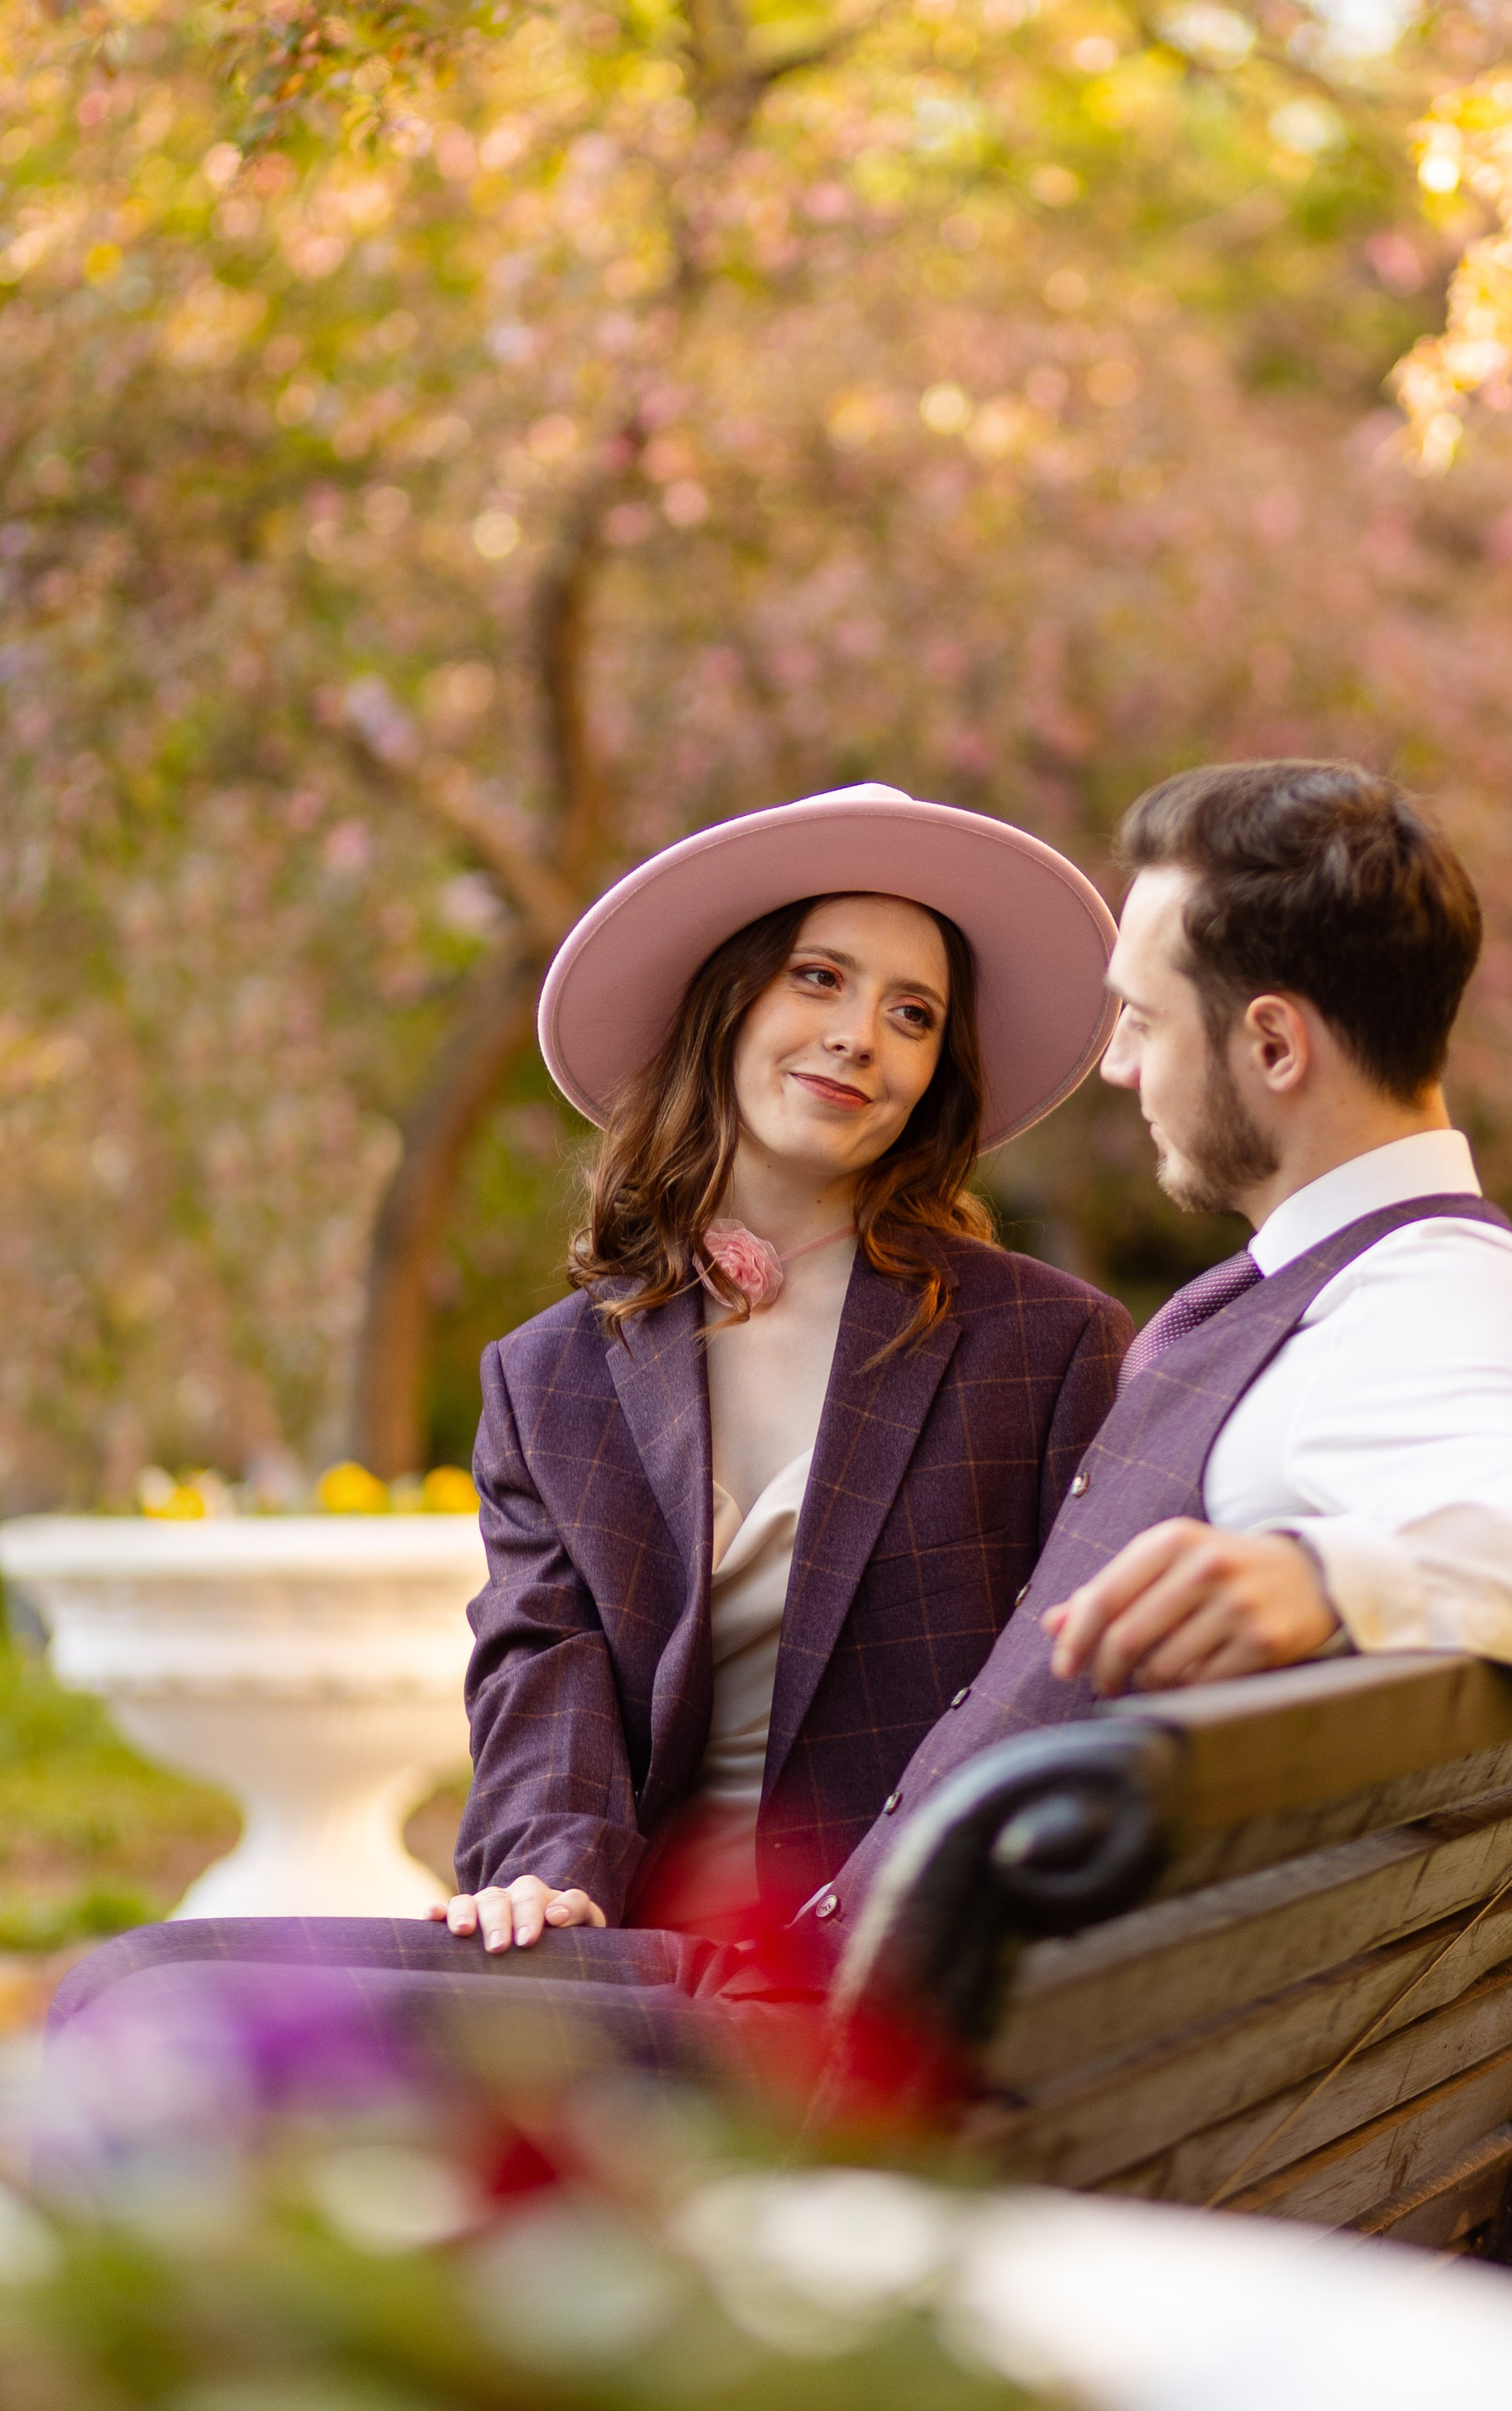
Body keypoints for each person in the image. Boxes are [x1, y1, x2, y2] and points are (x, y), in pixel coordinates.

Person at [811, 759, 1512, 1937]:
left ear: (1273, 1045)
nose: (1117, 1065)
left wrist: (1325, 1576)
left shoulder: (1431, 1290)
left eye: (1143, 1018)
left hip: (930, 2024)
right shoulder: (1341, 1286)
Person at [441, 781, 1129, 1953]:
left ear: (937, 1074)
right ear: (728, 1004)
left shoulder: (1045, 1346)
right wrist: (545, 1875)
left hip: (912, 1970)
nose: (861, 1035)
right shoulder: (547, 1376)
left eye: (913, 1014)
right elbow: (541, 1669)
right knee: (159, 1981)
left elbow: (1079, 1694)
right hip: (632, 1955)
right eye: (818, 977)